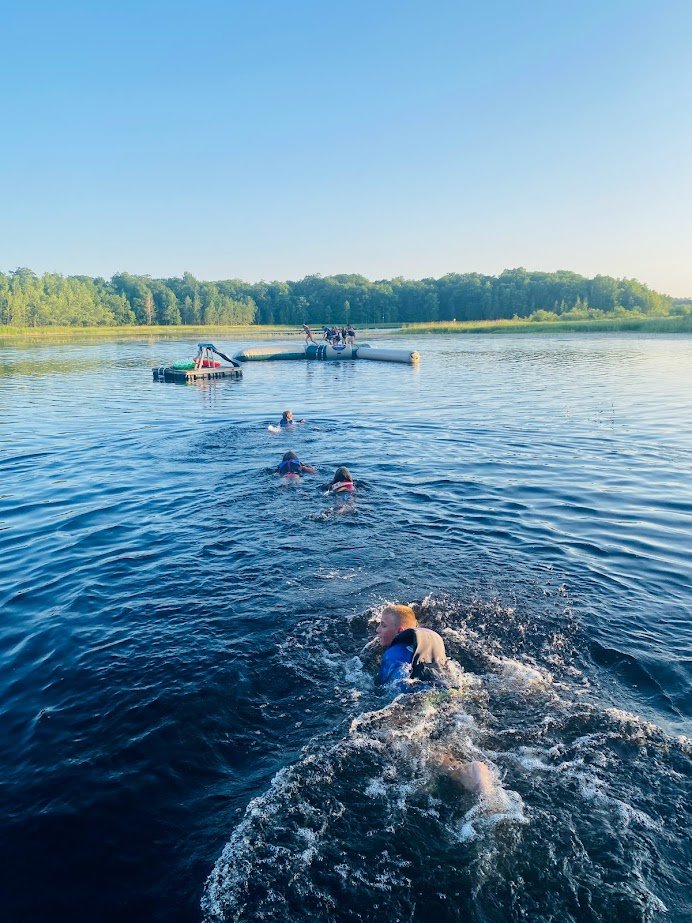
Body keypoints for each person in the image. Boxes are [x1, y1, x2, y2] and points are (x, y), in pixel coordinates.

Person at [375, 604, 498, 798]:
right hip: (446, 694)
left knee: (408, 744)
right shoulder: (426, 644)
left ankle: (464, 773)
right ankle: (471, 771)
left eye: (382, 625)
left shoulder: (394, 653)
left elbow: (396, 686)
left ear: (400, 631)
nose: (377, 630)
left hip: (418, 697)